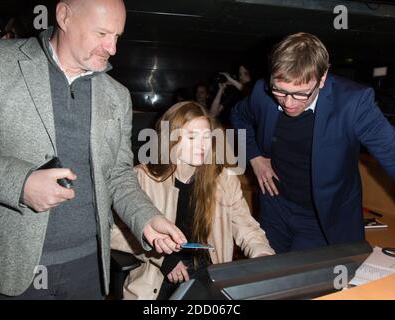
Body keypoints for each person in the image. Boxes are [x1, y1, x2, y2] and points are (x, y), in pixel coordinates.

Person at [0, 0, 186, 300]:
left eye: (117, 36)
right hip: (11, 264)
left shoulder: (117, 95)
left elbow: (119, 176)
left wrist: (146, 218)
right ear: (64, 16)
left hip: (89, 265)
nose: (112, 48)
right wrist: (21, 184)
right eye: (102, 34)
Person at [231, 32, 395, 254]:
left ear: (322, 78)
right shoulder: (262, 93)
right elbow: (238, 116)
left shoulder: (353, 103)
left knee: (311, 283)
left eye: (301, 94)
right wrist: (254, 156)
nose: (288, 103)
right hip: (275, 208)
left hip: (322, 218)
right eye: (280, 91)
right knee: (266, 277)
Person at [111, 101, 274, 299]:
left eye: (207, 137)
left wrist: (263, 255)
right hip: (157, 275)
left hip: (209, 273)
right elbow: (113, 232)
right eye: (191, 137)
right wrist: (164, 259)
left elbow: (246, 226)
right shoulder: (142, 178)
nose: (202, 145)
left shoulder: (224, 179)